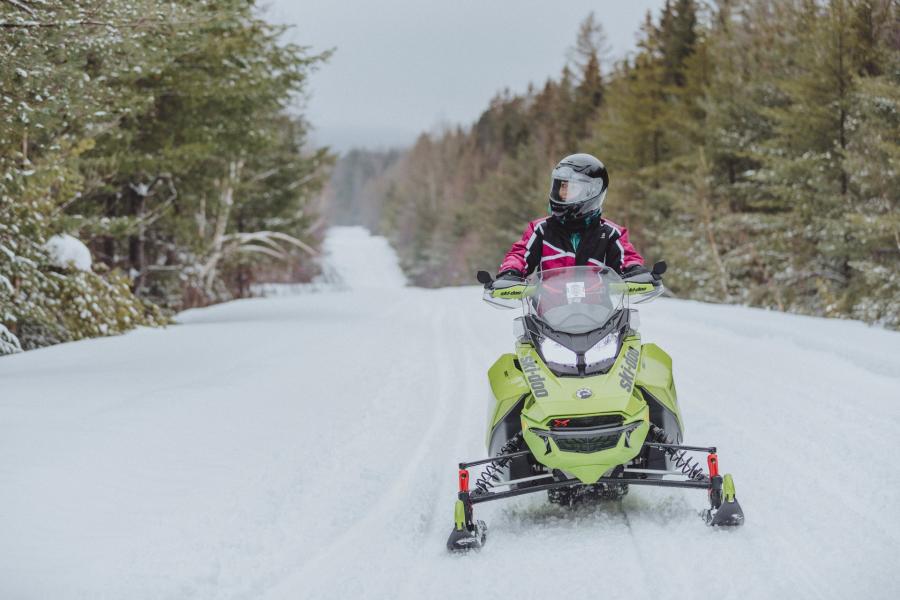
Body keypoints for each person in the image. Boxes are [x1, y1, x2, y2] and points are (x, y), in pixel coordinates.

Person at [496, 153, 649, 281]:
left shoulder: (610, 234)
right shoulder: (541, 230)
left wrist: (634, 270)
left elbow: (626, 256)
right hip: (548, 313)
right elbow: (520, 254)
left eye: (571, 188)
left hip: (598, 313)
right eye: (562, 186)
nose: (563, 193)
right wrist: (511, 271)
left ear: (592, 191)